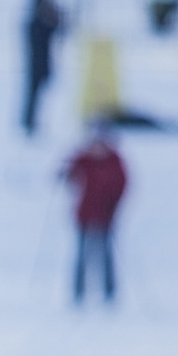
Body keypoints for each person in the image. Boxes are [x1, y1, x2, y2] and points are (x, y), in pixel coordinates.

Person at [61, 124, 127, 306]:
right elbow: (68, 175)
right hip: (84, 214)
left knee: (106, 256)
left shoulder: (114, 161)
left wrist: (114, 207)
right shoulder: (82, 159)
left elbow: (122, 186)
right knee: (81, 255)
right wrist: (65, 173)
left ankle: (110, 292)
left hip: (106, 215)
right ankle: (78, 292)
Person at [23, 0, 65, 137]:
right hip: (38, 65)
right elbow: (55, 28)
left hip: (38, 65)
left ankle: (31, 122)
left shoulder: (34, 23)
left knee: (34, 96)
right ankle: (30, 122)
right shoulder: (37, 24)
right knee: (34, 95)